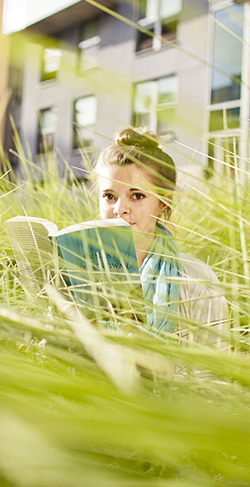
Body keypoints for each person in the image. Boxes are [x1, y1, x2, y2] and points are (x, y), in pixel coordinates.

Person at [93, 127, 229, 347]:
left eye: (137, 196)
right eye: (109, 196)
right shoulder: (74, 270)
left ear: (163, 202)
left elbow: (215, 371)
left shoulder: (195, 279)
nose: (119, 209)